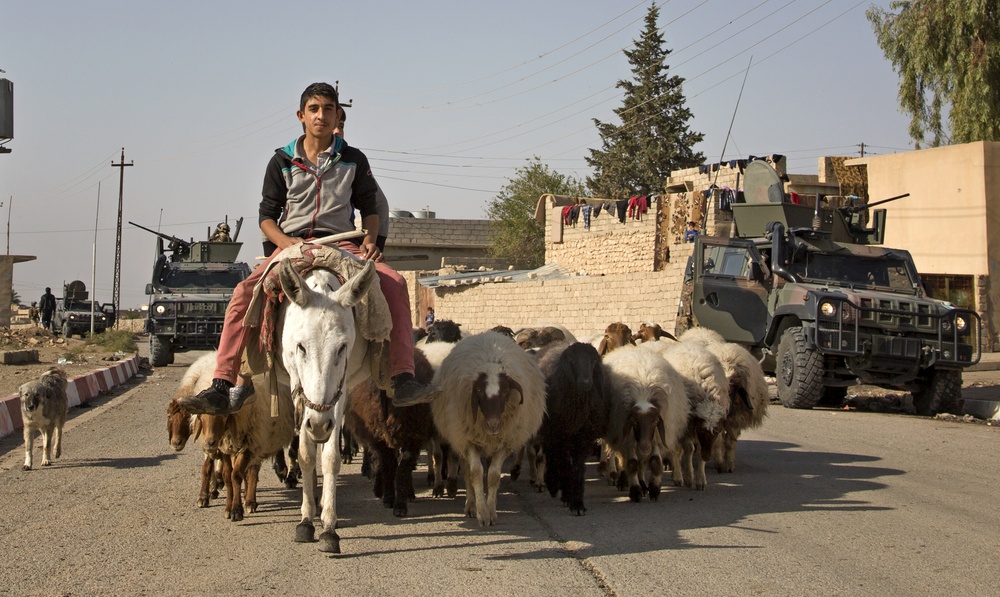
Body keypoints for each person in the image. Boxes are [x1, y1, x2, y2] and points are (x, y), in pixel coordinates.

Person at [180, 82, 430, 415]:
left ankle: (402, 377)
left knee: (395, 284)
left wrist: (370, 239)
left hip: (341, 244)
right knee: (243, 293)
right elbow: (266, 218)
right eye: (314, 109)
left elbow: (370, 207)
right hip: (293, 244)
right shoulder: (281, 160)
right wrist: (285, 243)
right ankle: (223, 384)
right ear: (301, 116)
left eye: (328, 109)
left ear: (338, 115)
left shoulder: (354, 159)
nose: (321, 116)